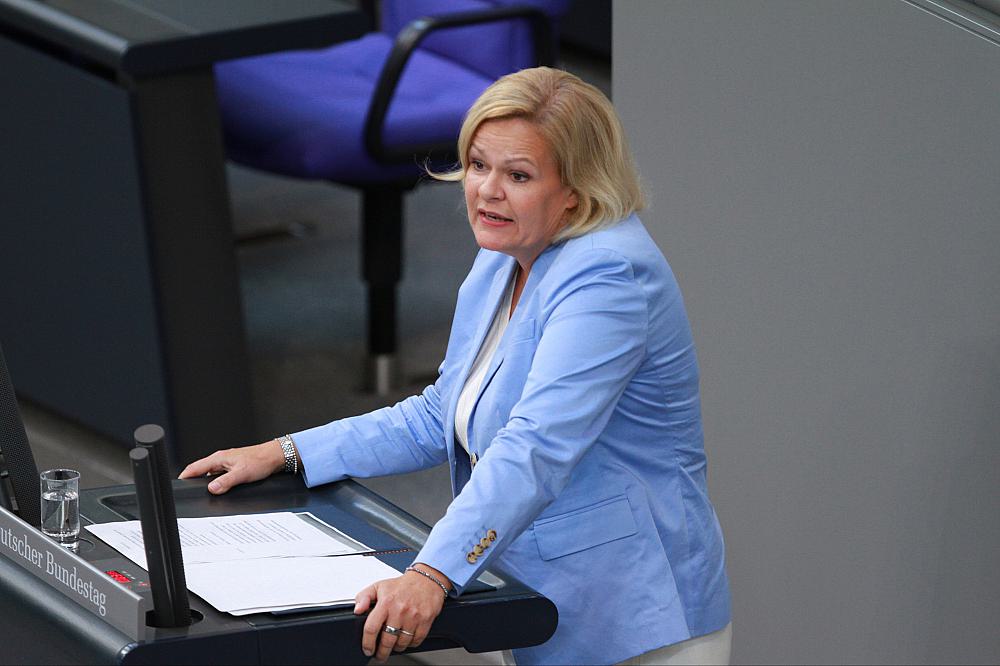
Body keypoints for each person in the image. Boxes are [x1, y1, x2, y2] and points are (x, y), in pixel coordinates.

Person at [180, 67, 731, 665]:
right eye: (477, 165)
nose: (487, 191)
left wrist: (433, 574)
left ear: (576, 189)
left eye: (518, 175)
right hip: (537, 590)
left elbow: (537, 446)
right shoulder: (505, 251)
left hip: (633, 614)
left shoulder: (607, 277)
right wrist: (286, 453)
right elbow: (440, 412)